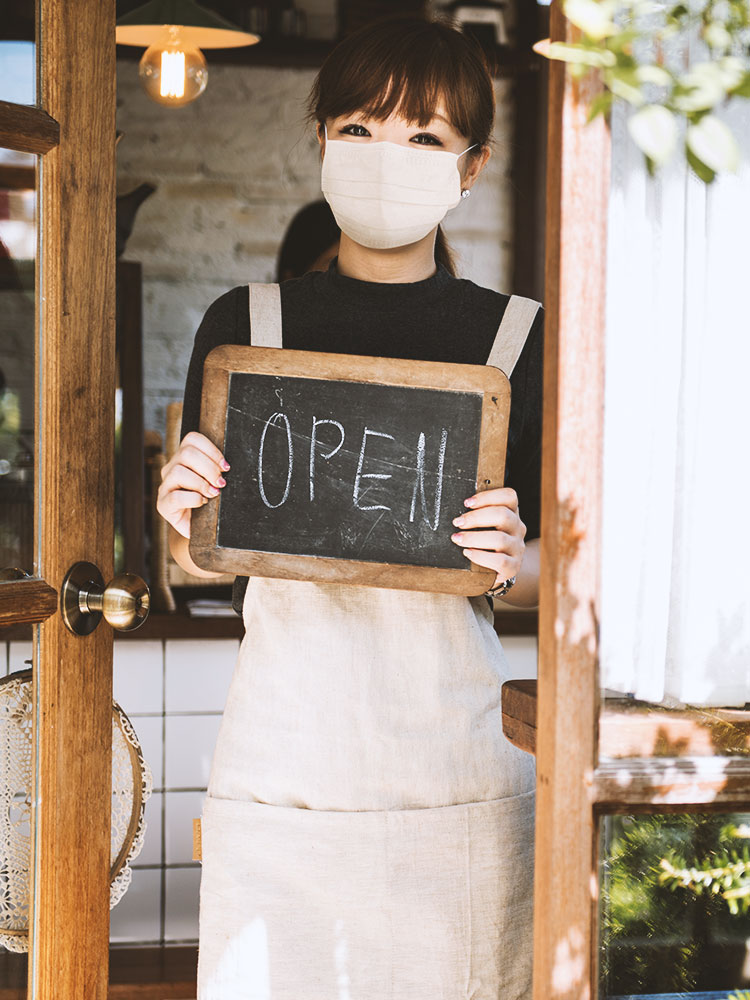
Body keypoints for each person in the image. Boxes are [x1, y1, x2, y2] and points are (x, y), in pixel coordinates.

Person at [157, 13, 543, 999]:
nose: (388, 156)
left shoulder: (515, 341)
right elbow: (201, 557)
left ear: (471, 166)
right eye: (362, 127)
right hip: (288, 767)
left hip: (455, 768)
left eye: (425, 137)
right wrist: (183, 510)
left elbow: (554, 574)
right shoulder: (250, 324)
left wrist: (514, 556)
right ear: (321, 136)